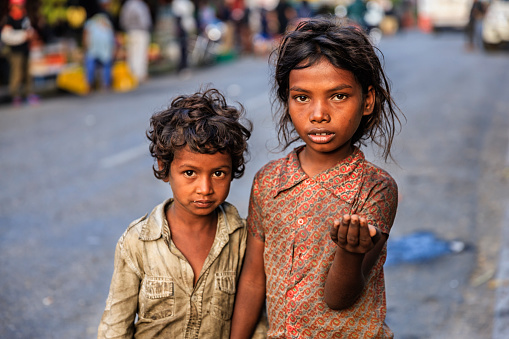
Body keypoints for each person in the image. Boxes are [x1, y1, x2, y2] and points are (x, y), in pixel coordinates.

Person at [230, 16, 403, 338]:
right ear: (286, 99)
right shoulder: (269, 181)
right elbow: (254, 279)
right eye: (302, 97)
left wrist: (351, 253)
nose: (319, 113)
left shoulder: (374, 189)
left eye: (338, 96)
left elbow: (339, 298)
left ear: (367, 100)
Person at [97, 89, 265, 338]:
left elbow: (256, 318)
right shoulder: (137, 242)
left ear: (232, 171)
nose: (205, 188)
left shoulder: (242, 239)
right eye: (190, 173)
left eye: (219, 173)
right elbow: (115, 327)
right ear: (164, 169)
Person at [0, 0, 38, 106]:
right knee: (17, 73)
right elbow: (7, 37)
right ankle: (15, 95)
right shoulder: (9, 19)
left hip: (26, 49)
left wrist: (31, 34)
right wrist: (23, 36)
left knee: (28, 73)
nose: (20, 7)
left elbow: (29, 29)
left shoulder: (24, 17)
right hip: (15, 51)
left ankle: (29, 93)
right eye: (18, 5)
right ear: (12, 6)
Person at [82, 6, 115, 91]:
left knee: (94, 66)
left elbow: (85, 36)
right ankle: (101, 84)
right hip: (99, 49)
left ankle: (94, 84)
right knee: (98, 66)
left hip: (99, 49)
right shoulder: (102, 22)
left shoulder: (91, 23)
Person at [119, 0, 152, 83]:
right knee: (140, 54)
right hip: (140, 31)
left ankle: (131, 75)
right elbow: (144, 20)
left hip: (130, 32)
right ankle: (139, 75)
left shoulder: (127, 5)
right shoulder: (140, 5)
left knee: (132, 54)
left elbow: (123, 21)